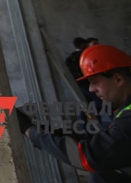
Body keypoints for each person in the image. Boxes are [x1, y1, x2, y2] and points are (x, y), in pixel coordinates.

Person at [17, 44, 131, 182]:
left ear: (118, 79)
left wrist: (30, 131)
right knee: (101, 175)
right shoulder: (124, 110)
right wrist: (48, 131)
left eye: (94, 82)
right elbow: (104, 140)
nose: (91, 89)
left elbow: (89, 157)